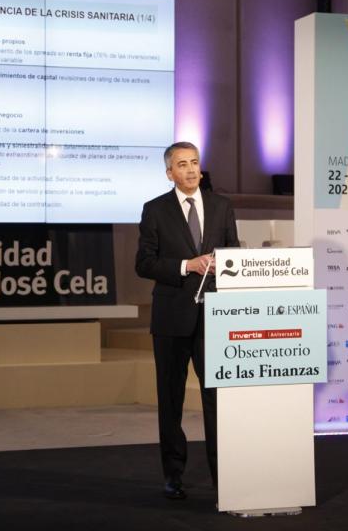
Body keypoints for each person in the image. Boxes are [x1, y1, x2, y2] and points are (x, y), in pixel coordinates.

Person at [135, 141, 240, 500]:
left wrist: (225, 263)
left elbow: (234, 253)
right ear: (170, 173)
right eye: (182, 164)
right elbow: (144, 263)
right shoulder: (155, 210)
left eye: (194, 162)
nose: (191, 169)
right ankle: (173, 475)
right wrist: (186, 266)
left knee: (216, 400)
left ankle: (224, 476)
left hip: (214, 317)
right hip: (171, 318)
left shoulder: (222, 206)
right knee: (171, 401)